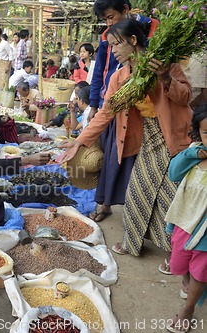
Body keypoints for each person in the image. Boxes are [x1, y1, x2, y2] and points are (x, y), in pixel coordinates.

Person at [59, 19, 192, 257]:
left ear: (133, 40)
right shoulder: (119, 78)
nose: (114, 51)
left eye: (116, 44)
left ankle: (177, 257)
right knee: (137, 191)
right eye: (110, 46)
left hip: (173, 137)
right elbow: (106, 112)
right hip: (148, 139)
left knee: (169, 198)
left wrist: (165, 80)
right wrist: (79, 141)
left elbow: (185, 97)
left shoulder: (165, 66)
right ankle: (133, 243)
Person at [86, 0, 158, 223]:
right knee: (110, 157)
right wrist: (94, 104)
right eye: (105, 19)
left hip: (139, 108)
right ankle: (106, 203)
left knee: (132, 160)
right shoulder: (108, 38)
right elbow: (100, 70)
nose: (108, 23)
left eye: (110, 17)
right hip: (112, 103)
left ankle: (134, 213)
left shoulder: (152, 29)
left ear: (125, 10)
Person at [163, 104, 207, 333]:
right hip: (184, 221)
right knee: (180, 263)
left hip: (205, 230)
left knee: (202, 268)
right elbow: (173, 173)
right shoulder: (195, 153)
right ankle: (187, 280)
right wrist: (192, 152)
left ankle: (188, 308)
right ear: (198, 133)